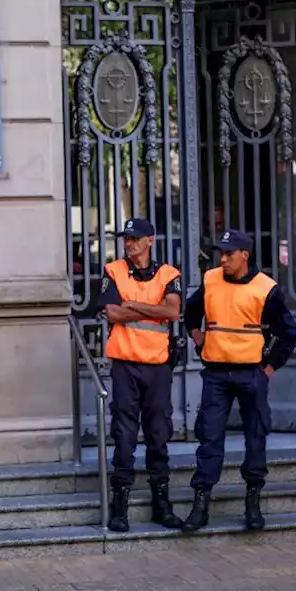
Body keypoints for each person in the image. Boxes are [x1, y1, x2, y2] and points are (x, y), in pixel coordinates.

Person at [181, 230, 296, 532]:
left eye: (229, 254)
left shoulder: (266, 288)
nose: (223, 258)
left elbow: (288, 335)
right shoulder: (210, 280)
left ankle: (253, 503)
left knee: (255, 437)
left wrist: (267, 371)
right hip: (216, 374)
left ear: (245, 255)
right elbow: (190, 314)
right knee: (209, 438)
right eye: (221, 252)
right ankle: (201, 505)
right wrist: (198, 338)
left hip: (251, 375)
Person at [94, 218, 185, 532]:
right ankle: (120, 509)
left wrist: (132, 304)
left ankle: (162, 505)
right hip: (125, 366)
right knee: (124, 437)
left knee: (159, 436)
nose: (128, 243)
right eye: (125, 238)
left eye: (134, 238)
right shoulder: (113, 271)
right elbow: (113, 312)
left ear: (150, 240)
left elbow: (172, 311)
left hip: (158, 366)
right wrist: (149, 306)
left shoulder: (168, 274)